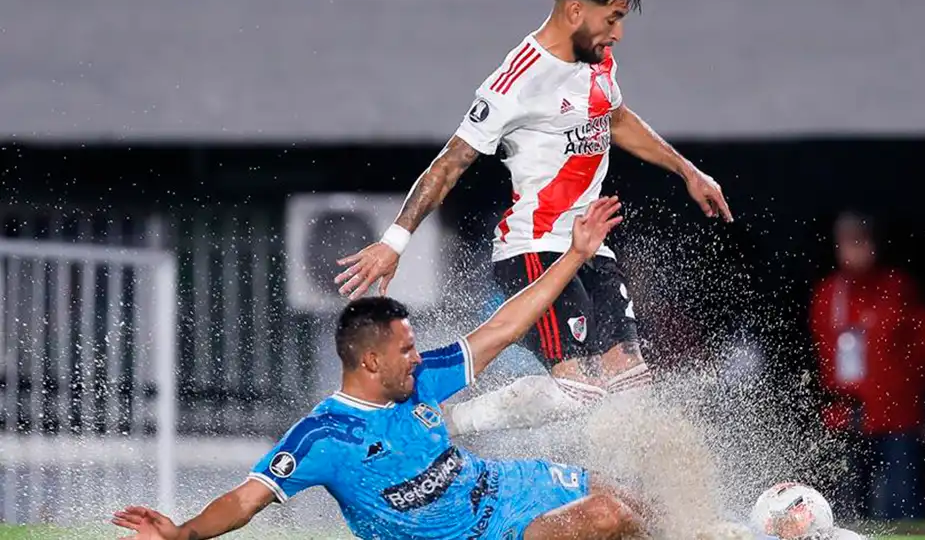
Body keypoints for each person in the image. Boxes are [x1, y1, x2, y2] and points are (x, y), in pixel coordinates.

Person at [334, 0, 733, 436]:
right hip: (535, 247)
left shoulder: (598, 59)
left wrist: (686, 169)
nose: (618, 34)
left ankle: (636, 505)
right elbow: (450, 163)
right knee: (578, 392)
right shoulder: (515, 81)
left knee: (633, 388)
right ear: (574, 12)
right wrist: (395, 240)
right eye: (612, 19)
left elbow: (615, 117)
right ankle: (441, 423)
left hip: (590, 246)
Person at [111, 197, 653, 540]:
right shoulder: (323, 436)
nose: (418, 357)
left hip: (509, 488)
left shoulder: (420, 379)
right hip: (472, 535)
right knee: (608, 517)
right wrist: (181, 535)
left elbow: (505, 328)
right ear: (371, 361)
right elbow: (244, 500)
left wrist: (576, 255)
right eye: (407, 349)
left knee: (635, 501)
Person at [809, 211, 925, 522]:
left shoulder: (898, 288)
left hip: (897, 416)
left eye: (860, 242)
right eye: (846, 243)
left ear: (873, 244)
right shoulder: (828, 294)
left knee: (902, 505)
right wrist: (835, 403)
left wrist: (921, 400)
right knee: (848, 511)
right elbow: (823, 357)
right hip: (846, 415)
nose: (854, 251)